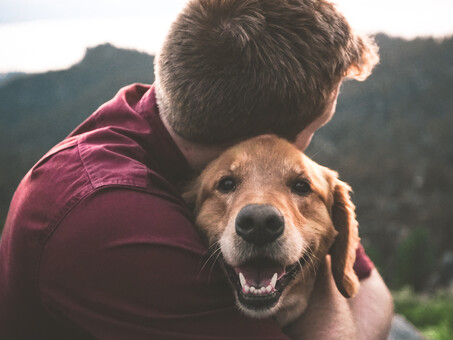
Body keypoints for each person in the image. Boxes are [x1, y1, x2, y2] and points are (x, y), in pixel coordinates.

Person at [0, 0, 393, 339]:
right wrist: (322, 277)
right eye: (313, 130)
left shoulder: (158, 116)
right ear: (262, 138)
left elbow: (373, 290)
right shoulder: (109, 219)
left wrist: (319, 257)